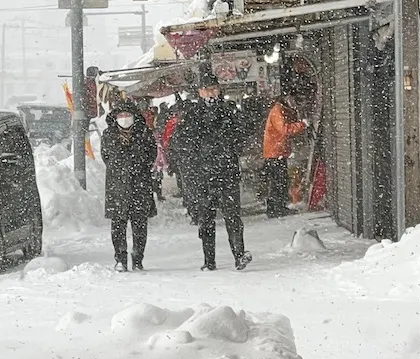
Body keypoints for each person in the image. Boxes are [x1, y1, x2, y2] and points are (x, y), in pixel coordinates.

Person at [172, 70, 251, 271]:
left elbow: (241, 136)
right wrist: (196, 159)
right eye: (206, 90)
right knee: (206, 220)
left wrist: (227, 146)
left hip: (227, 174)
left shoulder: (229, 111)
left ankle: (239, 255)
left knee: (233, 217)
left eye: (214, 89)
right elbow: (179, 143)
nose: (211, 94)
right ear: (199, 92)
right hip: (202, 176)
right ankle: (209, 261)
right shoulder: (191, 115)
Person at [101, 104, 157, 272]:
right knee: (118, 225)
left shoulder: (144, 133)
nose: (124, 118)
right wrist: (122, 169)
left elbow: (151, 155)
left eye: (127, 114)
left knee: (140, 225)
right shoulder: (109, 135)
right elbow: (107, 157)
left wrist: (137, 166)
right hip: (117, 186)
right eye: (121, 115)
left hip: (140, 185)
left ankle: (138, 258)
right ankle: (120, 258)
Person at [261, 96, 308, 218]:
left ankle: (275, 208)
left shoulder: (280, 109)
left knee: (277, 181)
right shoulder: (278, 110)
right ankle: (277, 208)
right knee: (279, 181)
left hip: (276, 152)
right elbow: (284, 129)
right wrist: (301, 124)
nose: (294, 103)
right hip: (275, 152)